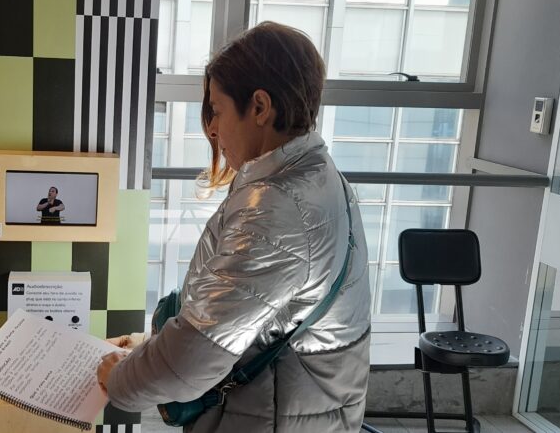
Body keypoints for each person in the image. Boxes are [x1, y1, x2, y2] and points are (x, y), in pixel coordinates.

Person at [97, 21, 372, 432]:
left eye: (218, 109)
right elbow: (249, 313)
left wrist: (119, 379)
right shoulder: (316, 174)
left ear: (259, 107)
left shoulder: (277, 208)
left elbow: (194, 358)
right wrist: (150, 346)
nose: (212, 128)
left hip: (272, 415)